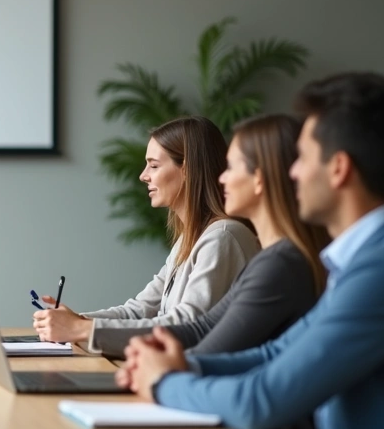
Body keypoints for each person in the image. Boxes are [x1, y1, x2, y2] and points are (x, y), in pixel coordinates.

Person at [120, 73, 384, 429]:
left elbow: (262, 401)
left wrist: (166, 382)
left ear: (338, 169)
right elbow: (274, 353)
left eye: (300, 158)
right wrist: (186, 365)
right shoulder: (369, 259)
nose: (290, 172)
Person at [93, 114, 329, 357]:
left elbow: (197, 336)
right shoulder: (203, 243)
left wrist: (88, 331)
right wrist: (78, 325)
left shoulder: (237, 242)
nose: (222, 177)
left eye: (232, 168)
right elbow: (199, 332)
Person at [34, 116, 260, 347]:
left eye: (153, 165)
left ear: (188, 170)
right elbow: (140, 310)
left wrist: (81, 329)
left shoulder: (223, 237)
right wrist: (75, 322)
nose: (144, 175)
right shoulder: (190, 240)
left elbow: (188, 324)